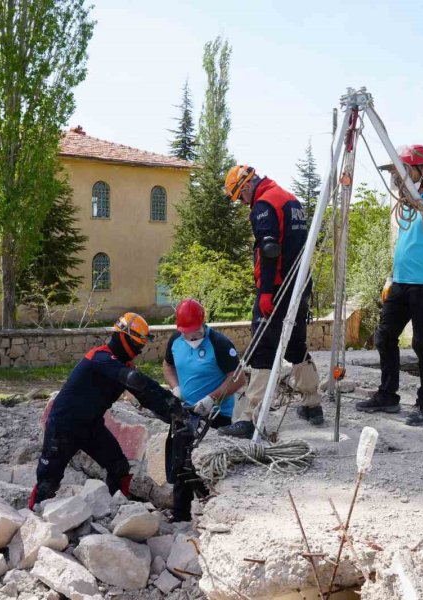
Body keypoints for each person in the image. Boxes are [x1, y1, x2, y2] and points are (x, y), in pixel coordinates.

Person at [30, 312, 185, 510]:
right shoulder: (100, 357)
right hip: (63, 427)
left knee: (119, 467)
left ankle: (118, 509)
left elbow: (146, 394)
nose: (139, 351)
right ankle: (32, 520)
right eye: (138, 345)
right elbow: (134, 380)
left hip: (91, 427)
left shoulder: (124, 365)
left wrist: (172, 409)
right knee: (47, 481)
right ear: (124, 337)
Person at [356, 145, 423, 426]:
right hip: (401, 282)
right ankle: (388, 395)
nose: (399, 178)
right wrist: (391, 278)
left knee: (422, 343)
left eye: (404, 171)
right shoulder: (406, 200)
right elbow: (404, 244)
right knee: (384, 337)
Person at [217, 165, 323, 439]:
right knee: (296, 345)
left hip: (277, 289)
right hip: (300, 285)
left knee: (262, 349)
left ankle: (251, 418)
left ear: (247, 186)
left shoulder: (263, 204)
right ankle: (312, 404)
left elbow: (269, 248)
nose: (242, 203)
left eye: (240, 197)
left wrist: (265, 291)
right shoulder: (290, 199)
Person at [162, 298, 246, 521]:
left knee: (207, 464)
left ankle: (213, 509)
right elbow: (167, 365)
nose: (190, 338)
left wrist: (212, 399)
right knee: (181, 461)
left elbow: (237, 378)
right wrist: (176, 388)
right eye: (185, 333)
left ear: (203, 324)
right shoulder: (175, 342)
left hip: (216, 415)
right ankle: (180, 515)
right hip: (187, 411)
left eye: (194, 332)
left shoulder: (219, 344)